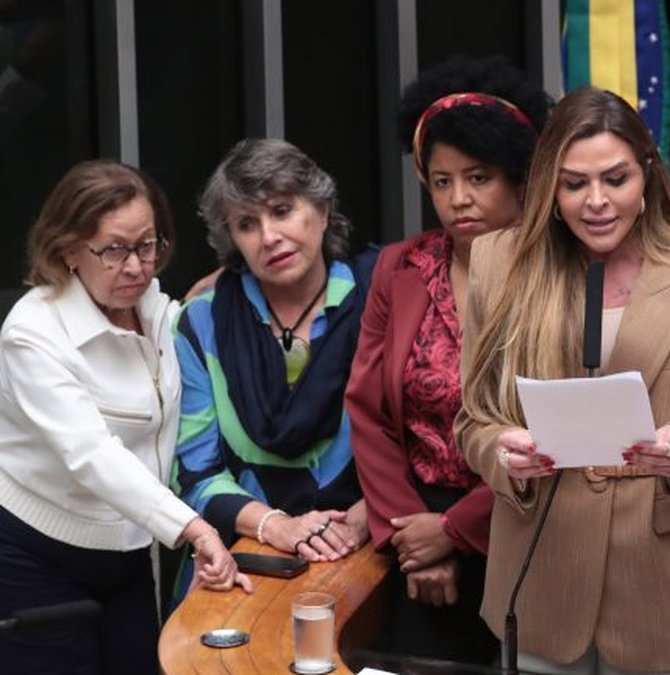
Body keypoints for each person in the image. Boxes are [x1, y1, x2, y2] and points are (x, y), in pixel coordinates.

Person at [456, 86, 670, 674]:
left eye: (616, 180)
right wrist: (502, 452)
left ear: (648, 175)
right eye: (574, 184)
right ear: (550, 187)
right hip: (544, 580)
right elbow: (475, 420)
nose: (596, 202)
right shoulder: (500, 264)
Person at [0, 160, 249, 674]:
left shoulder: (157, 310)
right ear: (68, 250)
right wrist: (194, 528)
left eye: (147, 245)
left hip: (130, 549)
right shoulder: (32, 333)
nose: (136, 267)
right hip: (35, 555)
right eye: (114, 250)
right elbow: (91, 453)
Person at [344, 56, 551, 663]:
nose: (459, 199)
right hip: (417, 528)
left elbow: (560, 429)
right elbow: (368, 411)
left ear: (518, 179)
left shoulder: (559, 274)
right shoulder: (401, 268)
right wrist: (414, 537)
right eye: (441, 181)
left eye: (478, 177)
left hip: (529, 524)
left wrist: (455, 532)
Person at [173, 139, 374, 576]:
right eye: (247, 224)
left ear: (322, 211)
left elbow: (422, 446)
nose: (269, 237)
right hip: (241, 564)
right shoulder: (201, 322)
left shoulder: (381, 302)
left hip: (373, 553)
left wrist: (364, 518)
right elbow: (194, 475)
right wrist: (276, 526)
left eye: (282, 211)